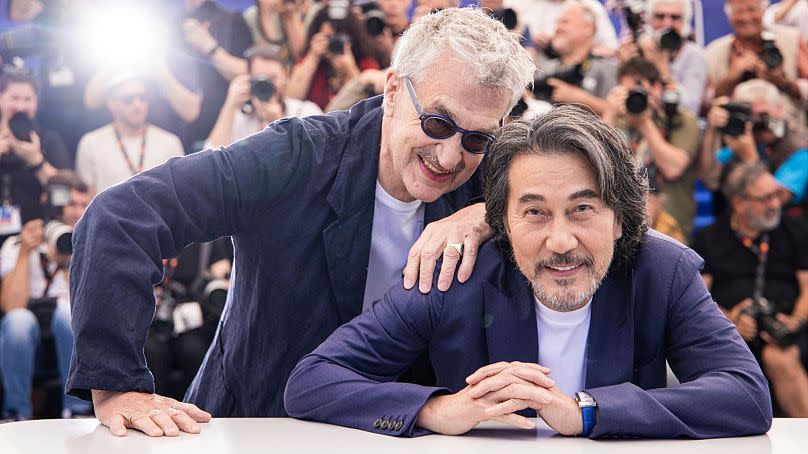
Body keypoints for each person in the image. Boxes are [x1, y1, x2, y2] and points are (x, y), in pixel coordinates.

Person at [66, 8, 535, 438]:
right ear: (393, 90)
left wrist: (491, 213)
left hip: (397, 431)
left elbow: (594, 195)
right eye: (436, 123)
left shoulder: (493, 178)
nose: (451, 155)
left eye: (476, 140)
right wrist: (115, 382)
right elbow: (123, 215)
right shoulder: (296, 156)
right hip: (254, 422)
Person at [284, 105, 772, 438]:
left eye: (583, 209)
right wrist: (436, 410)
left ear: (620, 218)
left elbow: (746, 395)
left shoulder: (661, 271)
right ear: (502, 222)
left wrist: (587, 410)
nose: (560, 242)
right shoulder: (457, 275)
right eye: (534, 213)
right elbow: (313, 381)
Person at [693, 162, 808, 417]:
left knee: (780, 357)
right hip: (730, 329)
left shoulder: (794, 230)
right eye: (765, 198)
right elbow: (698, 299)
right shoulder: (711, 237)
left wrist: (794, 321)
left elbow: (807, 286)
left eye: (776, 195)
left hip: (788, 327)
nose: (775, 204)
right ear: (739, 202)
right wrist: (730, 320)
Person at [0, 171, 92, 420]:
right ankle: (16, 413)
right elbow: (12, 307)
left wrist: (66, 263)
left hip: (68, 332)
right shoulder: (17, 245)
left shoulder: (91, 247)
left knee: (67, 312)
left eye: (84, 205)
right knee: (19, 320)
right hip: (27, 337)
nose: (77, 212)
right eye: (71, 203)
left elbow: (86, 310)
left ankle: (77, 410)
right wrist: (25, 254)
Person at [602, 57, 700, 243]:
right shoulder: (616, 122)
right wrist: (610, 113)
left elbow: (673, 168)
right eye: (629, 92)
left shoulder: (681, 120)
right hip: (620, 229)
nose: (636, 97)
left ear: (657, 89)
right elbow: (596, 160)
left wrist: (644, 124)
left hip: (671, 227)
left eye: (641, 91)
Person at [700, 79, 808, 216]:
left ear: (779, 109)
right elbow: (710, 179)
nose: (757, 122)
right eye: (750, 115)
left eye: (763, 115)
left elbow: (778, 198)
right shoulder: (743, 139)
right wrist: (712, 130)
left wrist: (750, 158)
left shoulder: (799, 148)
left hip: (782, 231)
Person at [706, 0, 807, 130]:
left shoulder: (791, 39)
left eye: (752, 10)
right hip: (733, 131)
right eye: (739, 12)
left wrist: (783, 82)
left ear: (764, 11)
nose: (746, 17)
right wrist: (730, 78)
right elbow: (704, 105)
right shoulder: (713, 52)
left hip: (786, 131)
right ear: (729, 17)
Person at [76, 74, 185, 195]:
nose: (137, 105)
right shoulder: (91, 143)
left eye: (142, 98)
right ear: (111, 103)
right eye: (128, 99)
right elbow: (85, 200)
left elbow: (181, 194)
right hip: (109, 213)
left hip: (159, 214)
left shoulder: (170, 142)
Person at [0, 66, 72, 239]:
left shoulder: (49, 140)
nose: (21, 106)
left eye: (27, 99)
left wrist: (37, 162)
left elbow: (67, 194)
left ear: (36, 104)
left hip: (39, 234)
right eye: (14, 98)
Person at [206, 45, 323, 149]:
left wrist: (280, 122)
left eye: (272, 78)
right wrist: (230, 104)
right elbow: (212, 154)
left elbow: (317, 157)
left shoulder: (306, 111)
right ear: (250, 78)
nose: (267, 84)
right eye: (260, 78)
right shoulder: (241, 116)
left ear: (286, 76)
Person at [617, 0, 707, 116]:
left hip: (674, 125)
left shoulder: (694, 54)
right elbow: (617, 98)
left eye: (675, 17)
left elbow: (690, 109)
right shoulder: (637, 47)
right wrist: (626, 65)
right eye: (660, 16)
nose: (667, 23)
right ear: (649, 20)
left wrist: (663, 71)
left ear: (685, 22)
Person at [534, 1, 618, 115]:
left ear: (588, 28)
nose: (558, 28)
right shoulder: (545, 68)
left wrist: (581, 99)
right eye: (557, 23)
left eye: (565, 22)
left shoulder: (607, 67)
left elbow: (622, 114)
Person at [242, 0, 309, 65]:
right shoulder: (251, 16)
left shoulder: (289, 12)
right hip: (263, 70)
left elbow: (298, 53)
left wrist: (292, 16)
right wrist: (265, 13)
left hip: (289, 68)